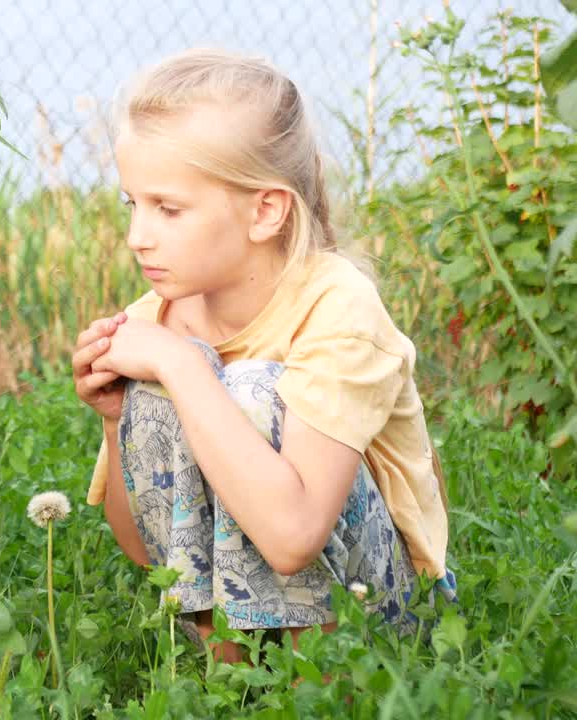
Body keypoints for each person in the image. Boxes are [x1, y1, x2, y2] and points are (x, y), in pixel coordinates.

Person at [71, 48, 458, 666]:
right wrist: (118, 419)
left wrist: (186, 368)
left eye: (168, 208)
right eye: (133, 204)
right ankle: (235, 682)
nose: (137, 235)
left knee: (248, 389)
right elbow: (152, 555)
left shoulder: (336, 308)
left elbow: (293, 538)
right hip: (232, 625)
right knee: (172, 387)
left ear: (264, 211)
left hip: (376, 621)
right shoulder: (157, 322)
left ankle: (312, 690)